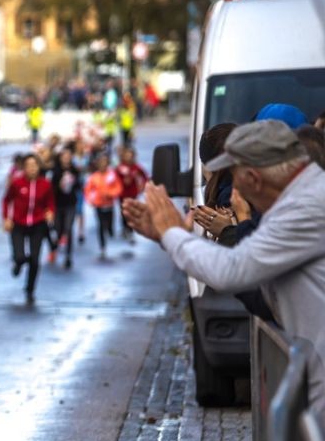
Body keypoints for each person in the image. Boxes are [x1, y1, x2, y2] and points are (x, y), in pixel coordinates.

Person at [123, 119, 325, 413]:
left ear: (254, 180)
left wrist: (171, 233)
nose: (233, 196)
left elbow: (233, 270)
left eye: (236, 184)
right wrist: (167, 236)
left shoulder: (305, 208)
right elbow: (255, 284)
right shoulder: (303, 197)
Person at [3, 154, 55, 304]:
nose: (32, 168)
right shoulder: (17, 183)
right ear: (24, 168)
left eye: (35, 165)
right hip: (18, 223)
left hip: (38, 224)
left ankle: (30, 289)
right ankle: (18, 264)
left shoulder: (45, 184)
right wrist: (7, 218)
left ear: (39, 167)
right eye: (29, 165)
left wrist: (50, 212)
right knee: (19, 256)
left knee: (34, 260)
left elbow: (50, 202)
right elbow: (7, 200)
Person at [84, 153, 122, 259]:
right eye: (101, 162)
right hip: (98, 205)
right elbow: (88, 190)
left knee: (109, 223)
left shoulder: (112, 175)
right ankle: (102, 246)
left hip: (109, 204)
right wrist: (91, 200)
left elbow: (118, 187)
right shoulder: (94, 177)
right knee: (100, 225)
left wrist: (110, 194)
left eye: (105, 162)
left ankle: (110, 231)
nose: (103, 165)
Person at [50, 147, 83, 269]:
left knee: (68, 229)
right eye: (64, 156)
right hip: (58, 204)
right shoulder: (56, 171)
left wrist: (74, 182)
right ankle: (55, 245)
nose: (67, 158)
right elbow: (51, 188)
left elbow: (79, 186)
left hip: (70, 204)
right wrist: (59, 185)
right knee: (58, 229)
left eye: (69, 156)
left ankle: (68, 256)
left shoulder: (75, 170)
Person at [115, 146, 148, 243]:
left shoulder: (136, 167)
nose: (129, 158)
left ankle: (131, 230)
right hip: (122, 194)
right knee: (124, 212)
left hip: (133, 194)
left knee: (131, 212)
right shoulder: (120, 167)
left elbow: (145, 176)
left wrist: (142, 187)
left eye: (130, 156)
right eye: (127, 156)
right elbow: (114, 179)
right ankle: (125, 228)